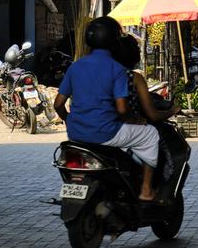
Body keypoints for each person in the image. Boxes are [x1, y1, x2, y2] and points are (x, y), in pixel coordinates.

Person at [53, 17, 160, 202]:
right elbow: (121, 109)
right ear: (114, 41)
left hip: (75, 135)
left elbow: (57, 104)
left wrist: (69, 120)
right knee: (150, 134)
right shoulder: (116, 69)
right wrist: (135, 120)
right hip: (106, 133)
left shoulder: (75, 67)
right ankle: (146, 189)